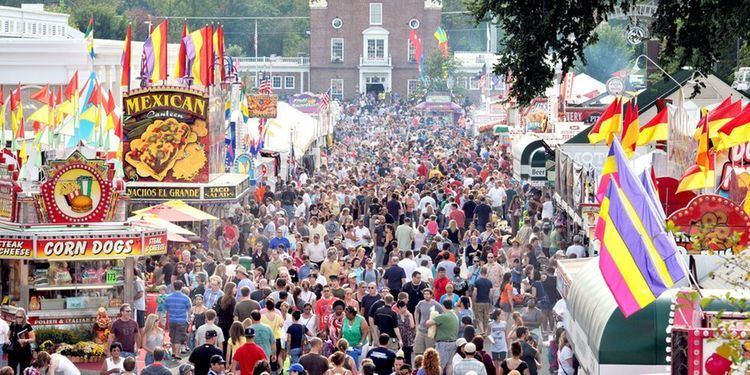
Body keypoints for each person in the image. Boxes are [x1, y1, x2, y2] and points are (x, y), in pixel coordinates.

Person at [425, 300, 458, 374]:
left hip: (443, 344)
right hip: (453, 342)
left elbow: (428, 323)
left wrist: (432, 315)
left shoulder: (443, 316)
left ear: (443, 306)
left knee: (440, 365)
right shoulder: (454, 315)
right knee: (449, 364)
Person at [164, 280, 192, 359]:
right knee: (179, 337)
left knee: (172, 336)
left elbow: (165, 308)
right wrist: (189, 317)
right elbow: (189, 309)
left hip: (171, 319)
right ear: (182, 287)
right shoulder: (186, 298)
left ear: (173, 287)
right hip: (182, 320)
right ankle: (177, 353)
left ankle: (173, 352)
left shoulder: (168, 297)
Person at [413, 288, 442, 357]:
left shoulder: (436, 304)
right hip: (421, 330)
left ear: (431, 295)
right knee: (418, 351)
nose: (426, 296)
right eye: (425, 294)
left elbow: (442, 314)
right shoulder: (421, 303)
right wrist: (417, 324)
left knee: (429, 352)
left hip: (430, 332)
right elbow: (416, 311)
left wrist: (435, 323)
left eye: (428, 294)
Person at [7, 308, 34, 374]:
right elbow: (8, 335)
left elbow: (33, 339)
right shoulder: (13, 324)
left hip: (25, 353)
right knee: (11, 371)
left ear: (24, 317)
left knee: (24, 372)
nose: (18, 319)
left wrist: (25, 340)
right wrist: (7, 340)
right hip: (13, 352)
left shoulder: (28, 325)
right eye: (17, 317)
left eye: (20, 317)